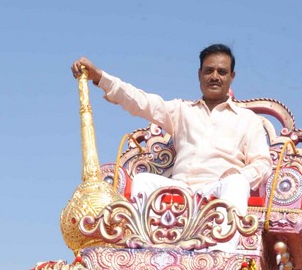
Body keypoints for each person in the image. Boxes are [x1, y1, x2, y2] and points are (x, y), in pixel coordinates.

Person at [71, 45, 272, 223]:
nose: (214, 77)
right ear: (199, 74)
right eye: (209, 70)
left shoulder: (248, 119)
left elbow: (263, 163)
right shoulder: (182, 110)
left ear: (231, 77)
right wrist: (99, 77)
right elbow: (141, 102)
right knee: (142, 181)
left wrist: (239, 174)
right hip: (180, 188)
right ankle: (143, 248)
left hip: (219, 188)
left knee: (237, 184)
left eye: (222, 71)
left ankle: (224, 256)